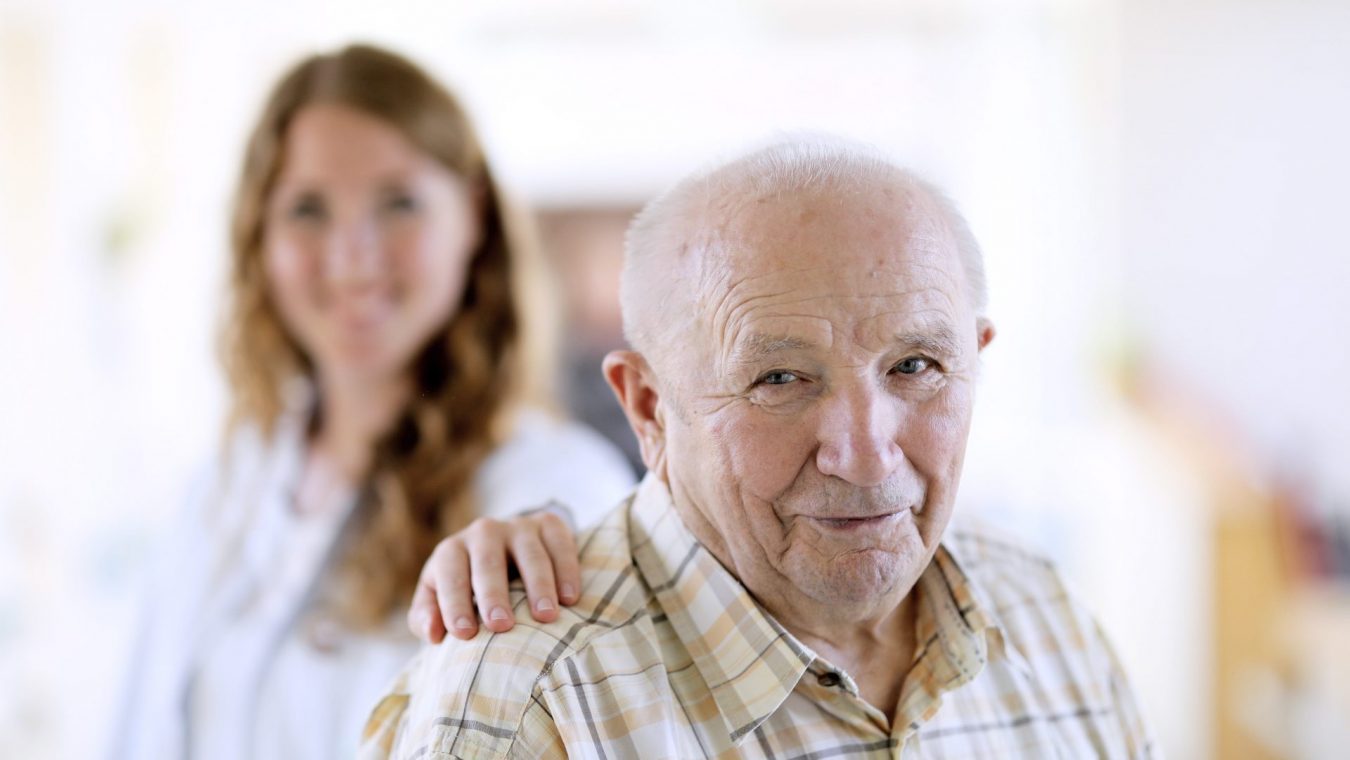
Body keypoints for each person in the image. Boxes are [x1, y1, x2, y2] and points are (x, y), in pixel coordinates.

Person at [363, 137, 1157, 758]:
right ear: (648, 406)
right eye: (779, 379)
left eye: (916, 367)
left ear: (976, 360)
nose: (867, 456)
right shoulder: (524, 708)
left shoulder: (1043, 615)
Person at [112, 44, 635, 760]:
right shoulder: (224, 490)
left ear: (472, 219)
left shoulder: (554, 491)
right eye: (307, 209)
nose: (353, 256)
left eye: (398, 203)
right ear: (258, 237)